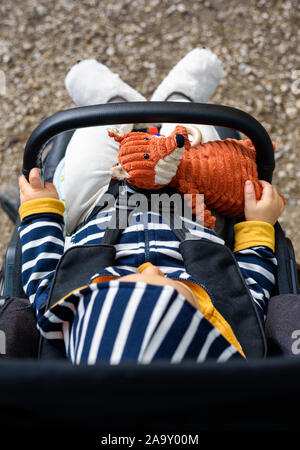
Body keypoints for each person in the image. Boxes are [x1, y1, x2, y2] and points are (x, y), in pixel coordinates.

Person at [18, 49, 285, 364]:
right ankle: (179, 102)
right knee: (201, 140)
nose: (152, 269)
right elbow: (254, 275)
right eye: (171, 285)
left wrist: (40, 211)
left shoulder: (60, 313)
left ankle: (114, 106)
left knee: (86, 154)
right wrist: (260, 225)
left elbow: (40, 266)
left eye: (125, 281)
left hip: (97, 208)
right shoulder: (235, 322)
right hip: (196, 203)